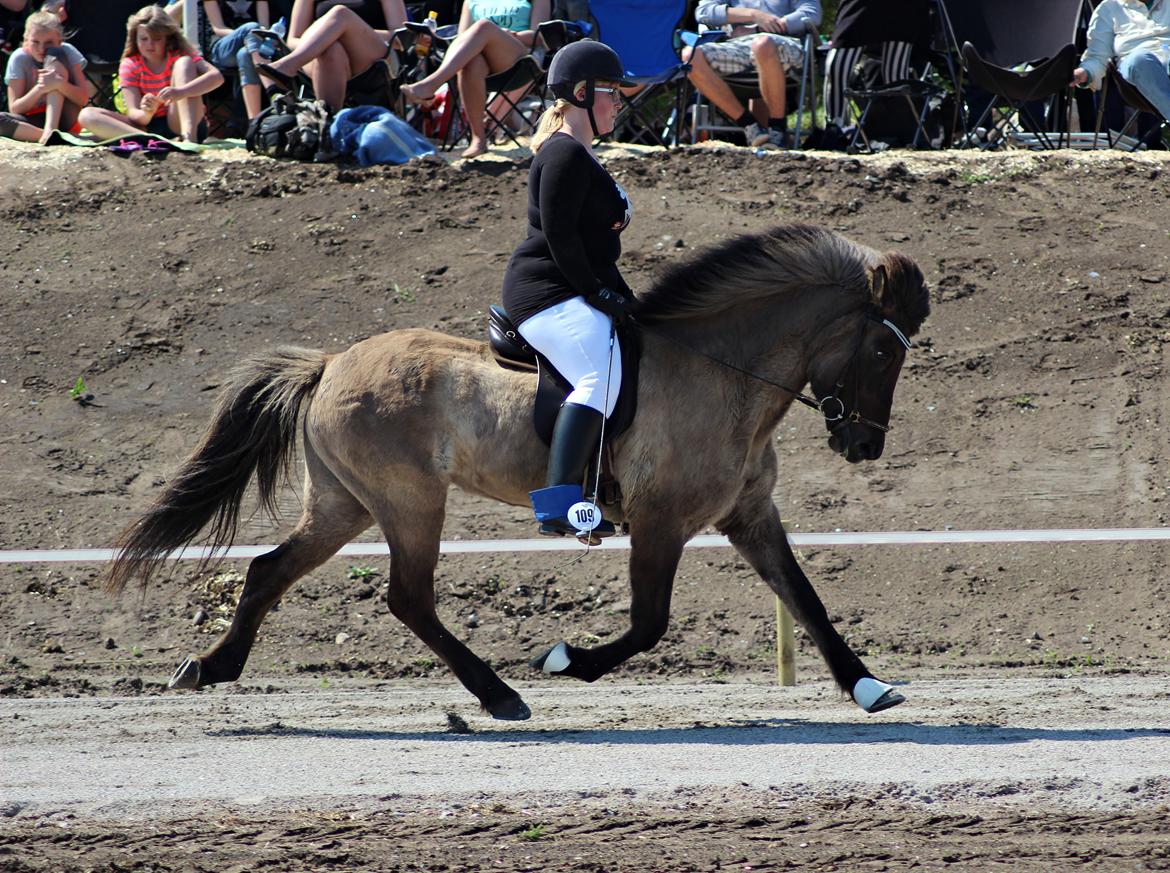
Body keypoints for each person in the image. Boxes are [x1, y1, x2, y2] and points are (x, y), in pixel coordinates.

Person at [501, 40, 635, 540]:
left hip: (573, 286)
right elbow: (559, 238)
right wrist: (598, 295)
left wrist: (625, 299)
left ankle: (611, 485)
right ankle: (560, 502)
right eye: (612, 93)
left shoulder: (583, 156)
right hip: (547, 292)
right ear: (581, 93)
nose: (619, 102)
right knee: (596, 377)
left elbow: (598, 251)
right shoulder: (562, 155)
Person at [400, 0, 551, 159]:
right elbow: (462, 37)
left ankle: (430, 85)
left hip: (520, 57)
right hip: (482, 61)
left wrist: (506, 34)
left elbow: (539, 36)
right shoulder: (470, 1)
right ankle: (478, 138)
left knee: (484, 26)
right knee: (472, 62)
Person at [684, 0, 822, 149]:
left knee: (762, 44)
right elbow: (704, 12)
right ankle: (750, 127)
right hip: (738, 46)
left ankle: (777, 130)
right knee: (690, 56)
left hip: (784, 42)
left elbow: (812, 13)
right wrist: (754, 15)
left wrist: (763, 27)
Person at [77, 6, 224, 142]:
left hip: (182, 122)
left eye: (156, 39)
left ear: (168, 38)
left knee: (184, 63)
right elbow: (135, 114)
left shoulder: (179, 54)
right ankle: (147, 140)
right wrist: (147, 111)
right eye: (144, 39)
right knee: (87, 115)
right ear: (135, 38)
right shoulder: (130, 64)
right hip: (147, 126)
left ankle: (189, 139)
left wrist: (180, 92)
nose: (149, 45)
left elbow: (217, 77)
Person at [255, 0, 406, 111]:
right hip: (321, 54)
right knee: (332, 49)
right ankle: (328, 131)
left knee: (340, 14)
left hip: (371, 55)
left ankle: (288, 66)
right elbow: (293, 40)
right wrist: (326, 37)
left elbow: (401, 38)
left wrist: (346, 30)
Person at [822, 0, 930, 130]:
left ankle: (902, 130)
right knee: (837, 65)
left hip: (904, 7)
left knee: (895, 75)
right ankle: (835, 125)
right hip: (861, 5)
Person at [1073, 0, 1170, 123]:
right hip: (1137, 76)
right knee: (1140, 59)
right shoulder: (1108, 7)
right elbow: (1098, 57)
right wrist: (1085, 72)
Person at [2, 9, 88, 145]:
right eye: (35, 42)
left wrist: (59, 84)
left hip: (66, 116)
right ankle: (52, 136)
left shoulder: (66, 50)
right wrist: (40, 88)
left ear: (60, 40)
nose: (42, 49)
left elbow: (83, 99)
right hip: (33, 122)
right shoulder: (19, 57)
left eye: (49, 42)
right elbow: (15, 109)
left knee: (55, 54)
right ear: (25, 40)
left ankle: (52, 129)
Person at [203, 0, 271, 120]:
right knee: (252, 27)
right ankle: (270, 83)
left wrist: (250, 40)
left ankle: (254, 123)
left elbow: (264, 28)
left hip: (250, 48)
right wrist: (245, 35)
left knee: (244, 54)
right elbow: (218, 28)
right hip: (222, 49)